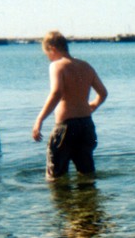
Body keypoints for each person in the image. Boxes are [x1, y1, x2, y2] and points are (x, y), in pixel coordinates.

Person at [32, 30, 108, 181]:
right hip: (86, 125)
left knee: (56, 176)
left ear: (53, 48)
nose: (48, 58)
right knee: (87, 173)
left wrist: (39, 120)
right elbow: (103, 93)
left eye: (47, 54)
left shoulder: (57, 66)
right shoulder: (86, 66)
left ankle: (62, 197)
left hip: (66, 127)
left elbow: (56, 93)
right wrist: (93, 105)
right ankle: (88, 196)